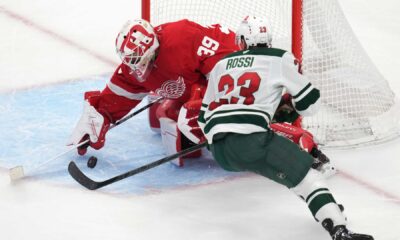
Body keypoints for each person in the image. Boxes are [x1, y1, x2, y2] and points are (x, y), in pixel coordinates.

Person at [197, 16, 373, 240]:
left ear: (241, 41)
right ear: (267, 40)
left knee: (289, 173)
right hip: (254, 142)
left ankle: (324, 207)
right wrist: (291, 106)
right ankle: (339, 230)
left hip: (220, 150)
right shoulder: (279, 58)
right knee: (309, 178)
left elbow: (203, 118)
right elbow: (311, 103)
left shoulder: (221, 65)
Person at [66, 18, 240, 164]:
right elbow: (118, 95)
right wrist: (98, 116)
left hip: (232, 80)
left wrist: (209, 105)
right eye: (131, 61)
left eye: (140, 60)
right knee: (169, 119)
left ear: (152, 48)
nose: (137, 67)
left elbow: (229, 66)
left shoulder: (183, 36)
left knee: (200, 124)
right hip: (190, 89)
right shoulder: (135, 66)